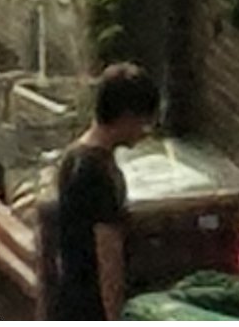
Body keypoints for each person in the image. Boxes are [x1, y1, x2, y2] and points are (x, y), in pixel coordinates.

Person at [43, 62, 160, 320]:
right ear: (127, 116)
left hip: (70, 300)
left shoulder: (73, 157)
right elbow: (108, 255)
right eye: (143, 121)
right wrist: (114, 317)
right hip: (91, 308)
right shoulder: (97, 172)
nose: (146, 131)